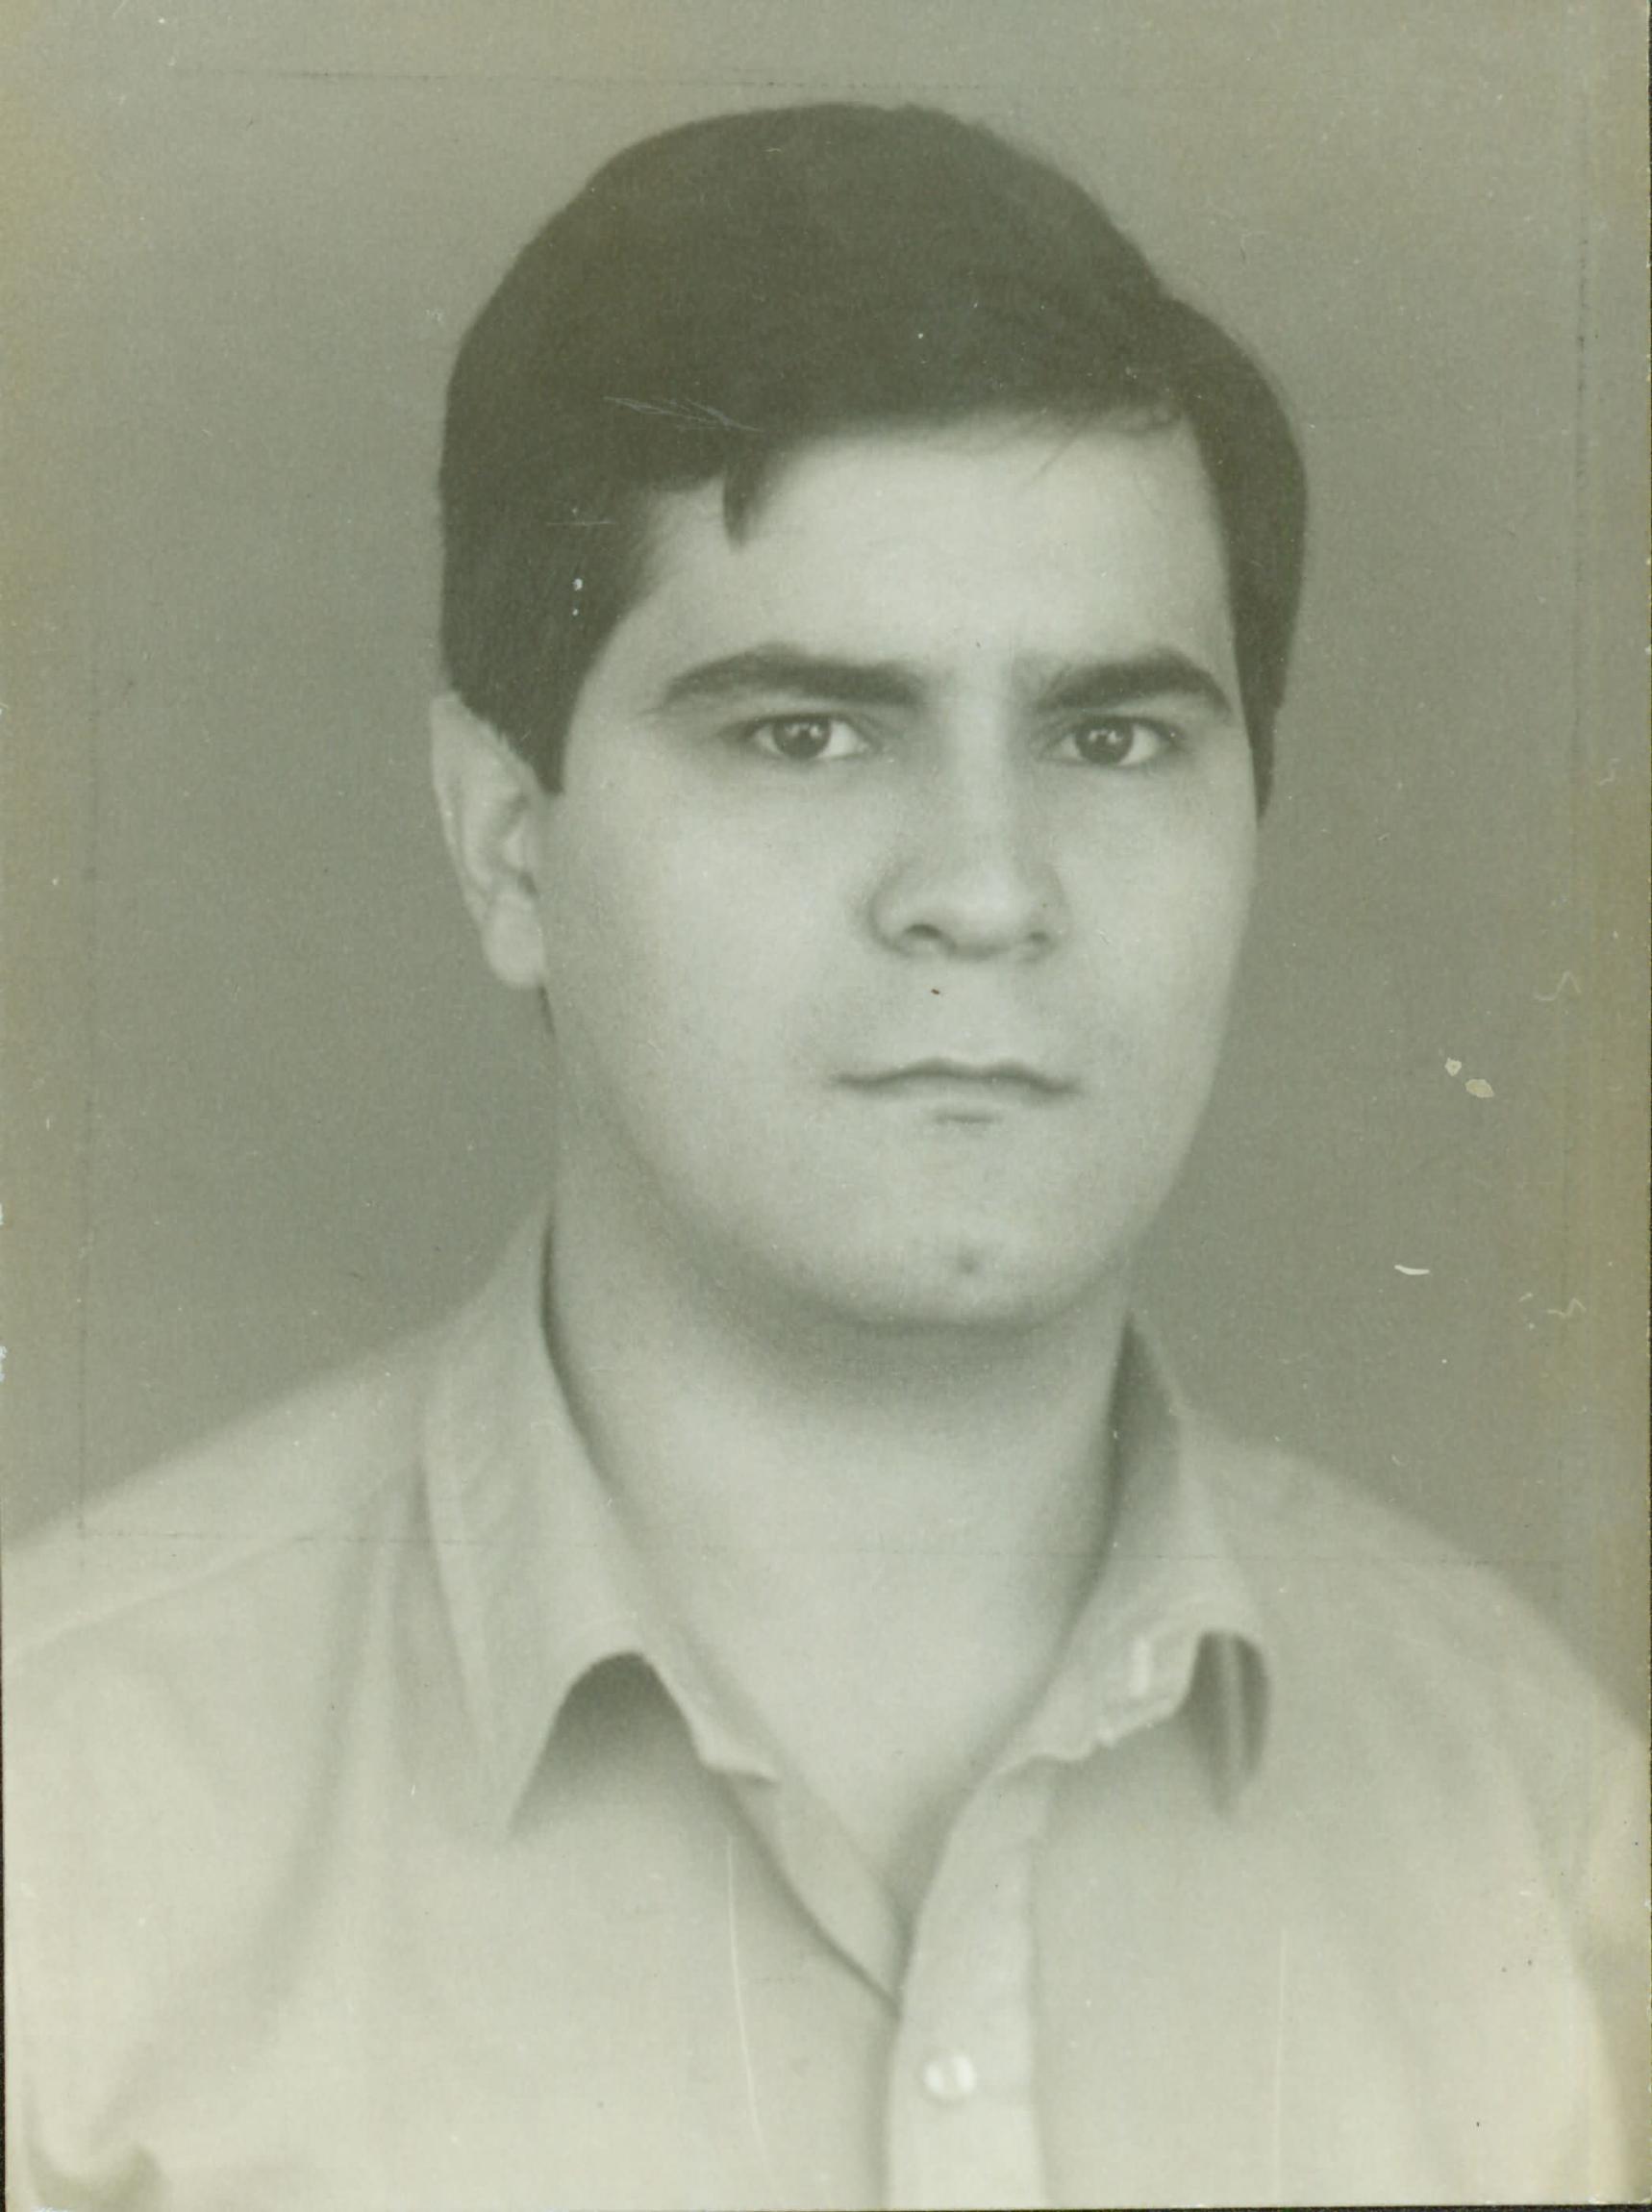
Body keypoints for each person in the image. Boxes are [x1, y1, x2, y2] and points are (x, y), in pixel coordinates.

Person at [5, 102, 1644, 2211]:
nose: (984, 888)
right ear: (505, 846)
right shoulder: (62, 1829)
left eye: (1111, 736)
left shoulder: (1540, 1838)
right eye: (806, 733)